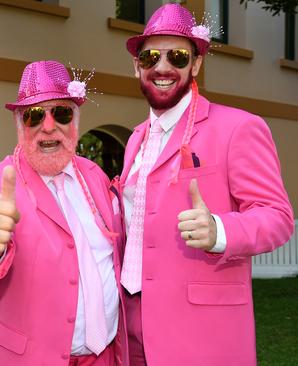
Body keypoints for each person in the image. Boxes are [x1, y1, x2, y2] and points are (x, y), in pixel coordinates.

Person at [118, 4, 295, 365]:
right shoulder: (136, 139)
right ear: (137, 65)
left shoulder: (238, 128)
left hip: (202, 335)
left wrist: (220, 230)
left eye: (178, 56)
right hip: (131, 328)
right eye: (151, 56)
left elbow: (278, 217)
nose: (163, 67)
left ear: (196, 64)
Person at [0, 60, 127, 365]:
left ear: (75, 121)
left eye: (61, 113)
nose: (48, 127)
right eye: (35, 116)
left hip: (105, 356)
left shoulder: (95, 175)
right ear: (19, 123)